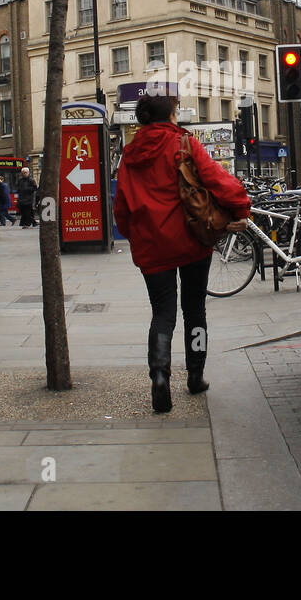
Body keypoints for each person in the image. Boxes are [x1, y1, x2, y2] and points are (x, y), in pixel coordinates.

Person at [113, 93, 251, 413]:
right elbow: (218, 181)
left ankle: (160, 375)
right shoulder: (184, 144)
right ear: (170, 116)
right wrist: (241, 207)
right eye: (175, 112)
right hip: (191, 241)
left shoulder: (129, 153)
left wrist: (134, 235)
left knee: (162, 312)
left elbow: (120, 206)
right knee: (195, 309)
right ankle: (196, 375)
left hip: (151, 246)